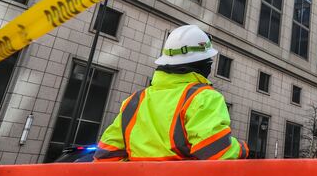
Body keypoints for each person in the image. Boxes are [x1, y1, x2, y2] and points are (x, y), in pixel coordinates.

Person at [94, 25, 248, 161]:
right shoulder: (203, 97)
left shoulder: (134, 101)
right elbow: (218, 152)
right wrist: (241, 148)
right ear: (203, 63)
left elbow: (105, 155)